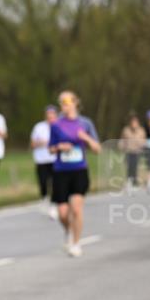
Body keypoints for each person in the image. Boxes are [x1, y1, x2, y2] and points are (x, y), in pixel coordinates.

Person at [50, 90, 101, 257]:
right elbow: (50, 148)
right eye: (62, 103)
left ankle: (76, 243)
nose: (64, 105)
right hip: (61, 172)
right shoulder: (56, 125)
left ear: (75, 103)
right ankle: (69, 231)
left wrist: (85, 138)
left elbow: (97, 149)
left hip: (79, 170)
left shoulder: (85, 123)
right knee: (63, 213)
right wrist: (59, 148)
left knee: (77, 210)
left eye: (67, 102)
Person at [30, 105, 59, 218]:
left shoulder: (59, 126)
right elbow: (32, 144)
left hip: (56, 159)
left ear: (56, 115)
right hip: (41, 160)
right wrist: (40, 143)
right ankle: (44, 199)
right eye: (48, 114)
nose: (50, 116)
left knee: (55, 183)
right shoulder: (39, 127)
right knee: (43, 182)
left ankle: (53, 205)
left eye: (52, 114)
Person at [120, 114, 146, 192]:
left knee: (135, 167)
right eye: (132, 122)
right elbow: (122, 140)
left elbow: (144, 141)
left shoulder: (141, 131)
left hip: (137, 152)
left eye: (135, 122)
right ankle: (129, 182)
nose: (134, 124)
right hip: (128, 151)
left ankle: (135, 182)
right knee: (129, 167)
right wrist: (121, 146)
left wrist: (142, 145)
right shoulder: (126, 130)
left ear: (137, 123)